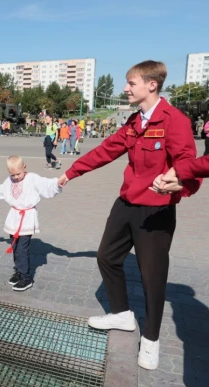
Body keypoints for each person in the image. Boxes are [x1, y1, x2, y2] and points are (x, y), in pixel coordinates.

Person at [58, 60, 201, 371]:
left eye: (131, 83)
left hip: (156, 209)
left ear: (152, 85)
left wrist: (180, 186)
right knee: (106, 256)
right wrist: (72, 171)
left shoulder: (174, 120)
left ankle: (151, 339)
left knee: (152, 276)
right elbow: (106, 149)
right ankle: (122, 315)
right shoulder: (136, 122)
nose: (125, 88)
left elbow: (187, 164)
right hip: (126, 203)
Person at [0, 156, 62, 291]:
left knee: (22, 248)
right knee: (15, 246)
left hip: (27, 216)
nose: (16, 177)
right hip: (14, 216)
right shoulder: (9, 181)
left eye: (18, 174)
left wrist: (58, 183)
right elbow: (0, 189)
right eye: (12, 174)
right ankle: (18, 271)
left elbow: (46, 184)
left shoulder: (33, 178)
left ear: (24, 167)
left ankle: (26, 277)